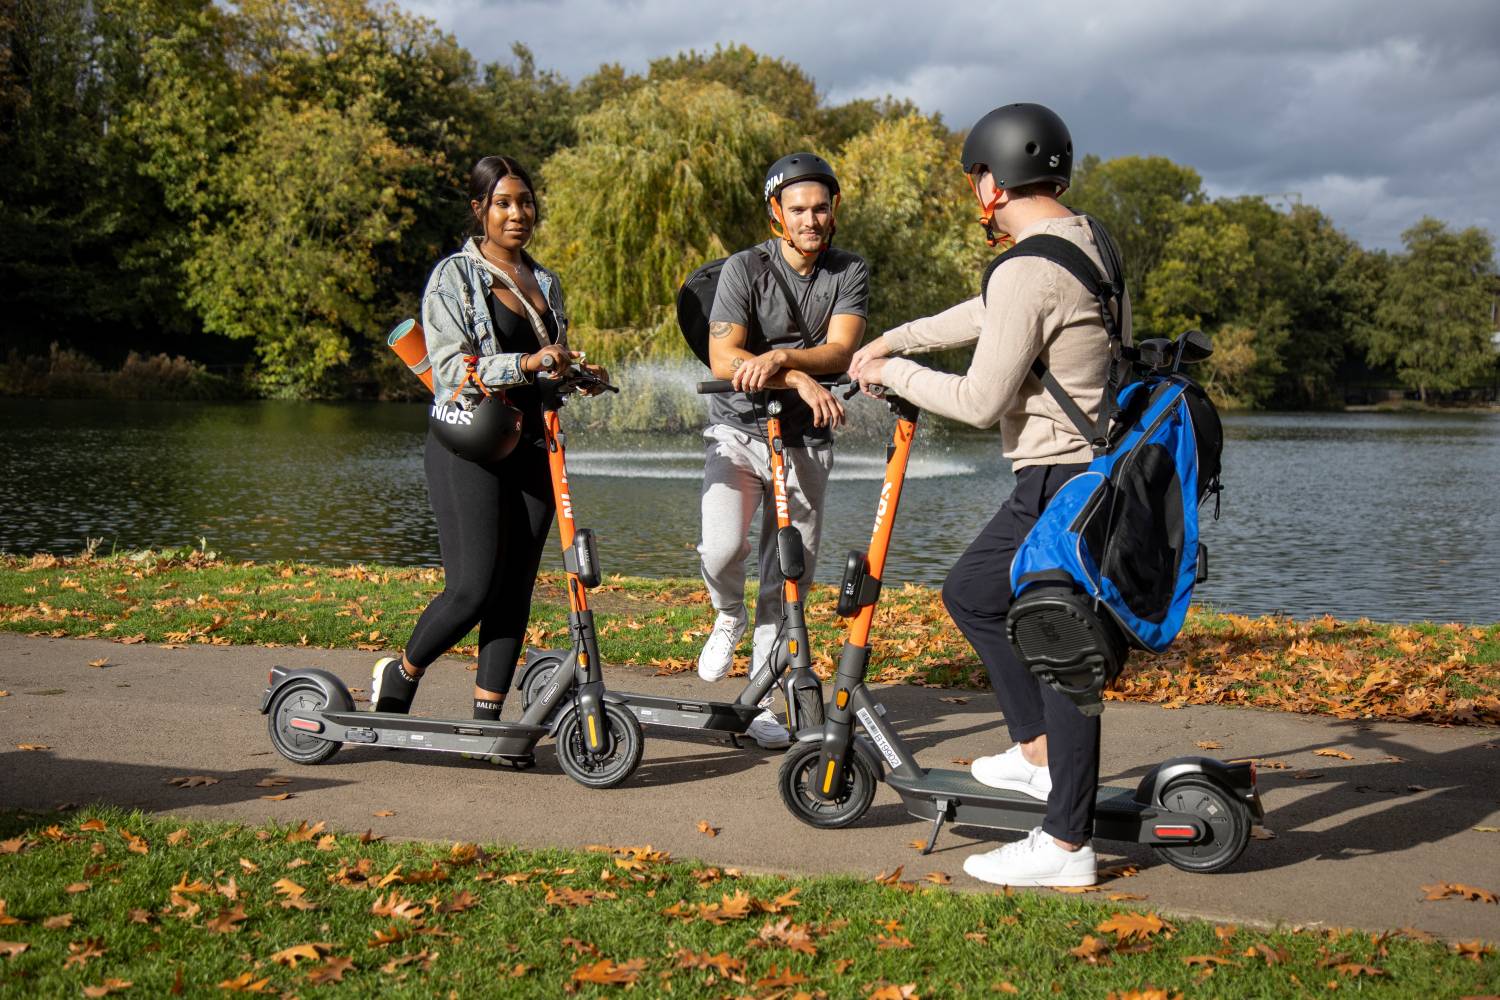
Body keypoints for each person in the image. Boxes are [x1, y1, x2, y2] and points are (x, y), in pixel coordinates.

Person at [849, 103, 1130, 887]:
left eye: (974, 179)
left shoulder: (1028, 265)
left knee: (1060, 649)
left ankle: (1066, 844)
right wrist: (894, 339)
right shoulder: (1084, 243)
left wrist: (889, 376)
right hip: (1082, 474)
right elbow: (985, 314)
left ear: (988, 181)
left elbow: (978, 400)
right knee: (974, 589)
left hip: (1060, 480)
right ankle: (1037, 754)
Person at [371, 155, 607, 722]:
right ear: (480, 209)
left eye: (525, 202)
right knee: (472, 589)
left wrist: (575, 375)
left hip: (532, 448)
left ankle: (487, 719)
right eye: (503, 203)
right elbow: (453, 369)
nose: (517, 213)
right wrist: (528, 361)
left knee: (514, 588)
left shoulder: (544, 280)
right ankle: (401, 672)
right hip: (469, 443)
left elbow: (545, 370)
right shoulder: (454, 277)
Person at [697, 152, 869, 748]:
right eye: (798, 209)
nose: (811, 220)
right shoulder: (745, 269)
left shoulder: (849, 272)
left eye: (821, 208)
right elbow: (725, 357)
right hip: (738, 430)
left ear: (834, 209)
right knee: (722, 549)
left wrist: (789, 358)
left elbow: (841, 351)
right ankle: (726, 613)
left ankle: (764, 701)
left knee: (786, 578)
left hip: (805, 441)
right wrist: (794, 376)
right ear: (777, 213)